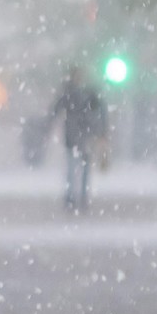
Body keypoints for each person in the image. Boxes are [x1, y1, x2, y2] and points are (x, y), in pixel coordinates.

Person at [52, 65, 106, 212]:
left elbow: (56, 110)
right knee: (76, 168)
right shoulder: (81, 93)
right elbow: (98, 112)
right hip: (78, 135)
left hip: (79, 135)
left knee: (80, 168)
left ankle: (78, 197)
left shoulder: (75, 93)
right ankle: (76, 197)